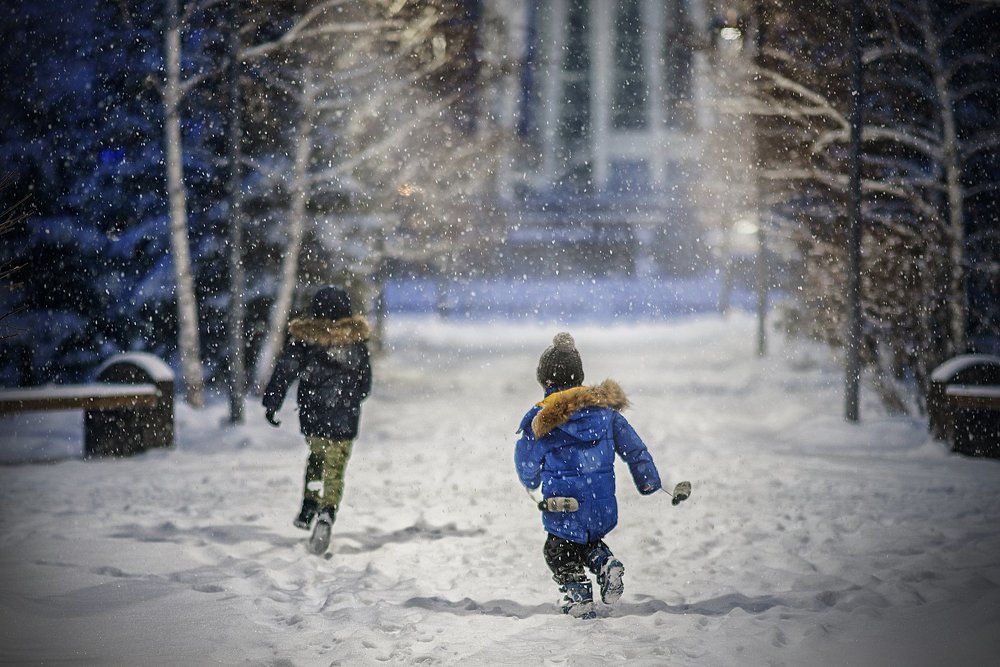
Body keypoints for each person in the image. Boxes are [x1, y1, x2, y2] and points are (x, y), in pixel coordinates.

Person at [514, 332, 661, 618]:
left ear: (545, 381)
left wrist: (531, 480)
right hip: (601, 504)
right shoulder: (606, 414)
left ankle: (578, 593)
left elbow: (526, 459)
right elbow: (635, 448)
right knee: (586, 541)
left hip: (565, 504)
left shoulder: (542, 420)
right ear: (580, 378)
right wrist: (649, 480)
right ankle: (605, 563)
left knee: (557, 551)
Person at [263, 285, 372, 554]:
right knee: (335, 468)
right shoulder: (356, 342)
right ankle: (327, 512)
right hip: (345, 416)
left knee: (316, 458)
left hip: (314, 415)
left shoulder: (303, 340)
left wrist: (272, 403)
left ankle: (309, 503)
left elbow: (284, 372)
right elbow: (366, 384)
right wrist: (350, 398)